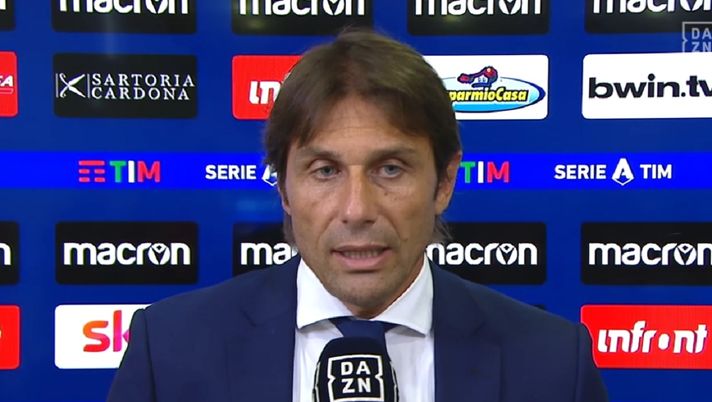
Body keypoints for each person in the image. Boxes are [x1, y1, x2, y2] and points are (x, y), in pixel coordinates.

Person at [107, 29, 608, 402]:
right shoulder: (168, 353)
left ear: (444, 182)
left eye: (390, 169)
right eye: (325, 171)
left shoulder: (552, 364)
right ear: (283, 188)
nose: (357, 210)